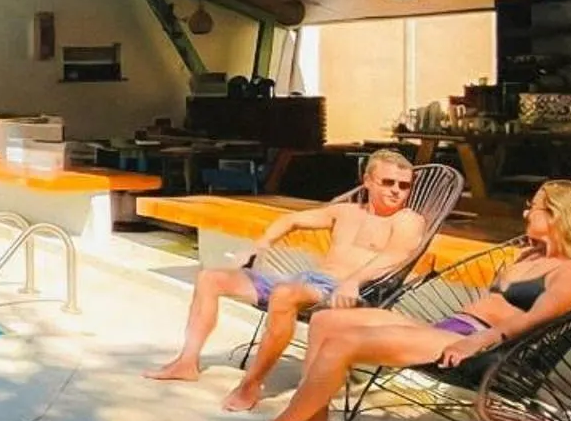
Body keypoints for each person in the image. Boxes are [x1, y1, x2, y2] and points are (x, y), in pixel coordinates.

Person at [225, 179, 571, 421]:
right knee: (328, 321)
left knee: (345, 342)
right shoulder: (531, 255)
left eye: (535, 206)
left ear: (560, 215)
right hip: (453, 328)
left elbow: (535, 319)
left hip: (486, 348)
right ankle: (315, 418)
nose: (527, 211)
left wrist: (481, 339)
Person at [146, 150, 427, 407]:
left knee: (285, 294)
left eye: (404, 186)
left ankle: (251, 385)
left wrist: (354, 281)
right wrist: (258, 245)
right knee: (210, 277)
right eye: (388, 182)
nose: (396, 191)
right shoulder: (345, 212)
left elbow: (395, 257)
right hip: (307, 280)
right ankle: (186, 363)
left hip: (347, 291)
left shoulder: (407, 220)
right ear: (368, 180)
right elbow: (291, 221)